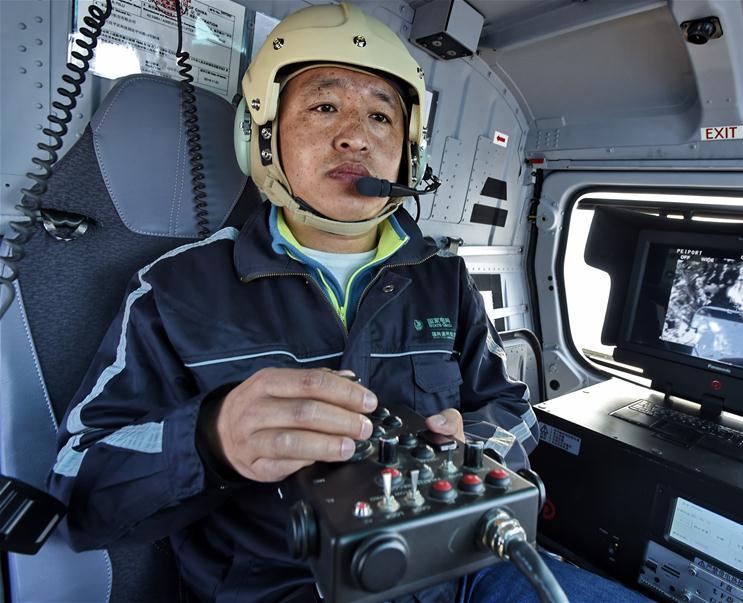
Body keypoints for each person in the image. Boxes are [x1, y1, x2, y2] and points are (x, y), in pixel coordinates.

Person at [49, 4, 648, 602]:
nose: (356, 135)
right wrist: (211, 440)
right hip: (282, 588)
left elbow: (508, 404)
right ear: (260, 133)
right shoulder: (177, 288)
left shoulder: (444, 276)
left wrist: (478, 449)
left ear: (406, 151)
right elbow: (78, 485)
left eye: (382, 116)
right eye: (324, 106)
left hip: (457, 570)